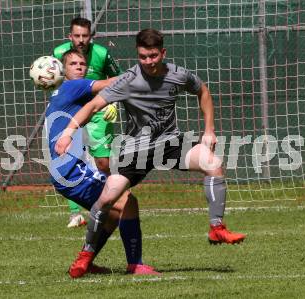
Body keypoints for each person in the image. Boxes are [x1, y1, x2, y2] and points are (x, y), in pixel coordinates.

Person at [55, 29, 246, 278]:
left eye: (153, 56)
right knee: (106, 200)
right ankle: (86, 255)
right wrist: (69, 131)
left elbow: (203, 92)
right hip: (136, 150)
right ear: (138, 54)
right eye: (143, 57)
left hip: (169, 144)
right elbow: (93, 105)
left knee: (213, 162)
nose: (148, 62)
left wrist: (209, 130)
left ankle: (216, 227)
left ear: (162, 53)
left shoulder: (178, 75)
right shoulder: (128, 80)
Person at [47, 48, 159, 277]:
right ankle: (135, 264)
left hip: (67, 171)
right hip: (71, 171)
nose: (79, 67)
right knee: (127, 201)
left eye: (82, 64)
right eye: (73, 64)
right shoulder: (72, 86)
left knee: (114, 212)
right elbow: (111, 82)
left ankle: (86, 262)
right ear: (63, 70)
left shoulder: (65, 93)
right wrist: (143, 71)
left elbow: (99, 99)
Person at [53, 17, 122, 228]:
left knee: (102, 163)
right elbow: (52, 78)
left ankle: (110, 200)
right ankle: (75, 214)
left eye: (85, 36)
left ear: (91, 36)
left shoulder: (101, 53)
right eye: (77, 36)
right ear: (70, 36)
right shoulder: (58, 54)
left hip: (99, 111)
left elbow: (117, 77)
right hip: (71, 112)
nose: (81, 40)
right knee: (68, 158)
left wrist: (113, 104)